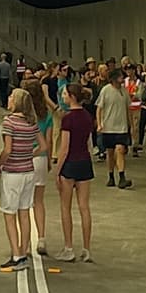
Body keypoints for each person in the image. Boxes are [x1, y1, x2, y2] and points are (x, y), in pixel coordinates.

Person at [0, 89, 40, 270]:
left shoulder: (9, 122)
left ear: (16, 102)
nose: (8, 98)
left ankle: (16, 255)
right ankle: (23, 251)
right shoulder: (32, 123)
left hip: (12, 173)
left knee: (9, 214)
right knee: (24, 212)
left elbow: (7, 149)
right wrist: (29, 155)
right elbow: (43, 146)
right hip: (28, 171)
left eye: (11, 97)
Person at [54, 84, 98, 262]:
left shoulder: (68, 119)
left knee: (66, 207)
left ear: (72, 97)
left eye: (65, 94)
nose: (63, 96)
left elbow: (64, 148)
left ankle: (69, 248)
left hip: (70, 164)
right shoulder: (87, 116)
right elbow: (88, 142)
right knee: (84, 207)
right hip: (85, 163)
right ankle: (87, 249)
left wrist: (57, 171)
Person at [26, 72, 54, 255]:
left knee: (24, 204)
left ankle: (26, 243)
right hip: (41, 158)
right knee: (39, 201)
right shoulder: (46, 115)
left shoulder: (24, 116)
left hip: (25, 158)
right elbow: (48, 141)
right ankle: (41, 238)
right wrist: (49, 159)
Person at [95, 64, 133, 188]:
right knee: (110, 152)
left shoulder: (124, 91)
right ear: (114, 78)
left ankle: (122, 177)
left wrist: (131, 125)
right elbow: (99, 108)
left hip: (122, 127)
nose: (122, 79)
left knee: (120, 150)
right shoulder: (105, 90)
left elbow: (128, 109)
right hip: (108, 127)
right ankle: (111, 176)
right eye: (120, 77)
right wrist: (99, 123)